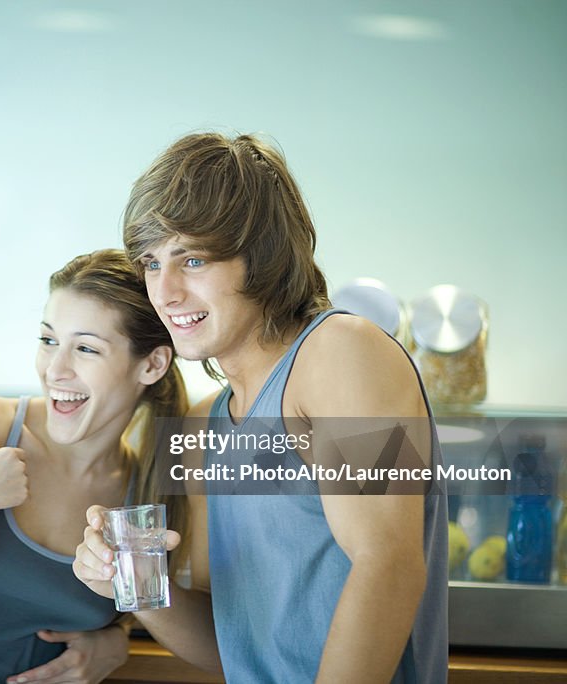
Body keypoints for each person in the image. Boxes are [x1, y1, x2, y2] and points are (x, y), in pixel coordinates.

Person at [74, 132, 449, 683]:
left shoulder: (343, 352)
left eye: (193, 259)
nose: (165, 291)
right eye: (151, 263)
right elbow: (233, 644)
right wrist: (135, 588)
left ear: (263, 258)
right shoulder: (205, 427)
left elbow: (388, 567)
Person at [0, 248, 189, 684]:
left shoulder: (148, 489)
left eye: (85, 348)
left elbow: (156, 619)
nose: (55, 369)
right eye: (48, 341)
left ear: (152, 364)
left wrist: (115, 639)